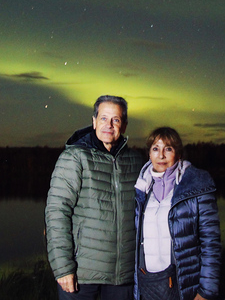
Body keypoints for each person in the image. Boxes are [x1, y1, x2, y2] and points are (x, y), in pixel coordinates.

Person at [45, 95, 144, 300]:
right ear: (93, 121)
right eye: (103, 118)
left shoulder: (136, 161)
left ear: (124, 125)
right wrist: (63, 267)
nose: (109, 125)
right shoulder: (74, 158)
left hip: (123, 276)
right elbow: (57, 212)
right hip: (82, 276)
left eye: (115, 120)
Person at [134, 127, 221, 300]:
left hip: (184, 287)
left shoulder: (196, 187)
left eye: (168, 148)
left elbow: (211, 244)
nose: (161, 155)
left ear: (178, 154)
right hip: (149, 286)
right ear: (149, 154)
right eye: (155, 148)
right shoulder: (141, 189)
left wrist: (206, 291)